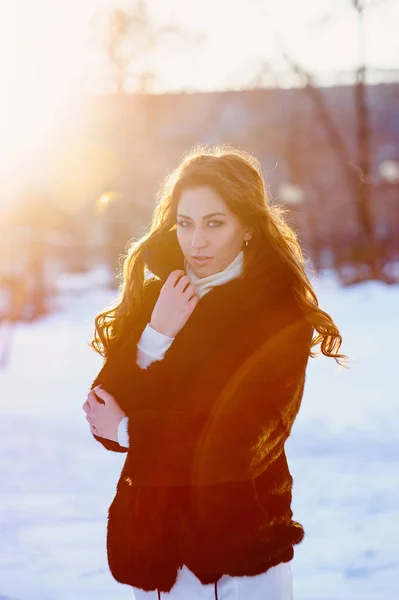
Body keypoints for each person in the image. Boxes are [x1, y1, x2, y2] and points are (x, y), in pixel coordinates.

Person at [82, 145, 347, 599]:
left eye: (214, 223)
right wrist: (157, 334)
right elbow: (102, 406)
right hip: (157, 554)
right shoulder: (156, 299)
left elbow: (239, 442)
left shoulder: (278, 317)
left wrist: (133, 431)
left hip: (240, 559)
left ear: (247, 228)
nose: (196, 241)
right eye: (185, 223)